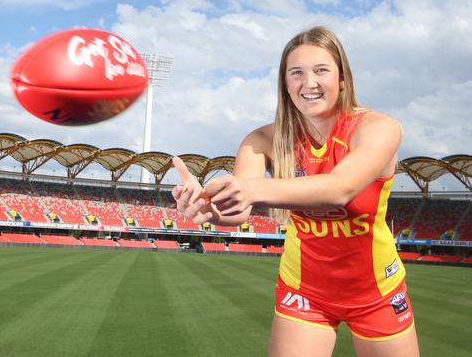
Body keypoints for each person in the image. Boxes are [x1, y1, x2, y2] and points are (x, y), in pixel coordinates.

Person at [171, 26, 420, 357]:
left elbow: (339, 188)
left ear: (342, 78)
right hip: (304, 290)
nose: (309, 83)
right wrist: (210, 207)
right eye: (297, 73)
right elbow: (239, 210)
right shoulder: (262, 140)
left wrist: (250, 189)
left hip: (377, 291)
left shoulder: (378, 128)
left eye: (321, 71)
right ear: (285, 84)